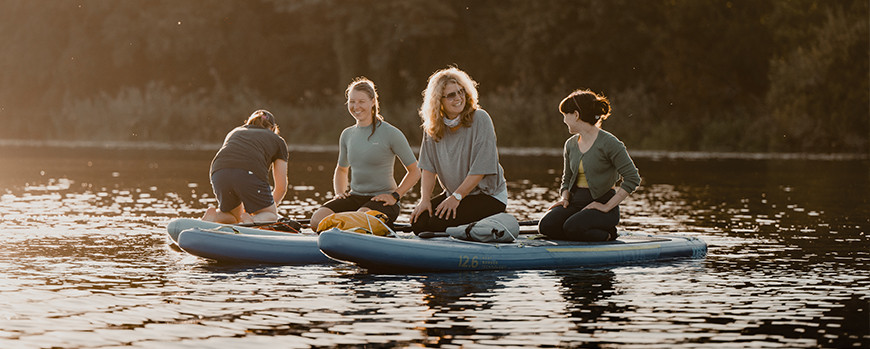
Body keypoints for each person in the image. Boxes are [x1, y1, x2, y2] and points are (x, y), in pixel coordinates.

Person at [310, 77, 420, 230]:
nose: (356, 106)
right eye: (352, 101)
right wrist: (340, 193)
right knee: (317, 221)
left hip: (384, 202)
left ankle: (352, 229)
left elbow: (415, 171)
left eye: (361, 101)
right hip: (355, 198)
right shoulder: (347, 134)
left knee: (359, 219)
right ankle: (342, 232)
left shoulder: (391, 133)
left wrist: (395, 196)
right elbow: (341, 169)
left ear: (373, 101)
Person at [410, 67, 508, 233]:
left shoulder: (480, 118)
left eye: (461, 92)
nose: (458, 98)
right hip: (455, 195)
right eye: (451, 95)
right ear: (438, 100)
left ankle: (489, 222)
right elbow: (428, 169)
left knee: (436, 224)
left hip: (488, 196)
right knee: (419, 223)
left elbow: (481, 169)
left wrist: (456, 197)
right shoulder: (432, 128)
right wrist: (424, 200)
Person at [538, 89, 641, 241]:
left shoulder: (610, 143)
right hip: (575, 204)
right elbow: (567, 177)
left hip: (603, 206)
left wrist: (606, 207)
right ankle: (579, 232)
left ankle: (608, 233)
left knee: (572, 227)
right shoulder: (570, 145)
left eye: (565, 115)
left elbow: (633, 178)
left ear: (576, 115)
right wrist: (565, 197)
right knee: (546, 226)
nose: (564, 120)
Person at [202, 109, 289, 224]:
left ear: (249, 123)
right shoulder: (278, 140)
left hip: (218, 172)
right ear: (273, 129)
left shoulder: (235, 132)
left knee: (234, 217)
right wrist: (267, 208)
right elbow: (281, 187)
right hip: (248, 173)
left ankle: (215, 216)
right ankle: (252, 220)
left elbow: (232, 160)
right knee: (271, 215)